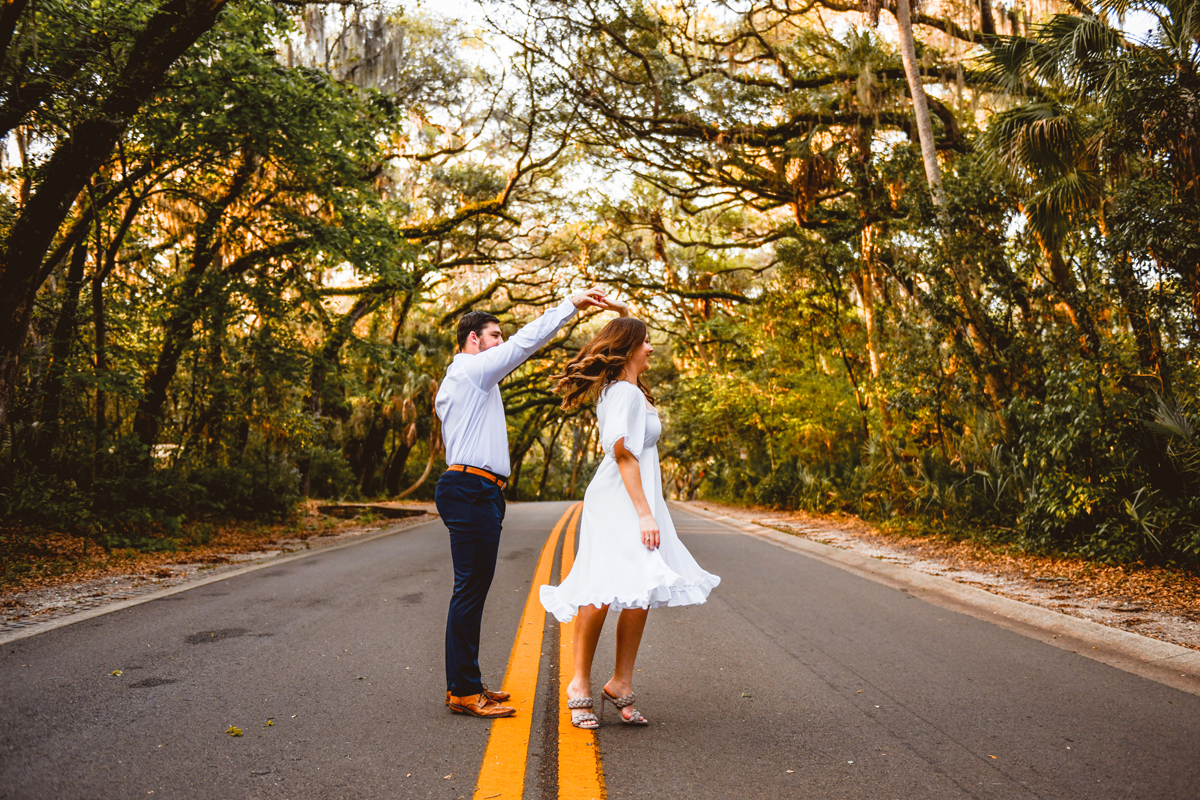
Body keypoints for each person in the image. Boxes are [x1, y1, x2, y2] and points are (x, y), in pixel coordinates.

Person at [436, 287, 623, 718]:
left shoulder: (468, 381)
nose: (501, 342)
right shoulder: (470, 371)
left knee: (472, 590)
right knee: (468, 590)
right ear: (473, 340)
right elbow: (524, 343)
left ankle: (464, 681)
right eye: (494, 335)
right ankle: (464, 691)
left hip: (476, 490)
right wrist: (570, 306)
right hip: (470, 490)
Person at [539, 313, 719, 728]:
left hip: (638, 499)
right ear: (628, 349)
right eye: (646, 342)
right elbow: (623, 452)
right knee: (600, 589)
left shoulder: (629, 392)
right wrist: (643, 513)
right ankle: (579, 684)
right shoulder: (624, 394)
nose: (651, 348)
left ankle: (621, 682)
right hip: (620, 501)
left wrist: (649, 509)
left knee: (641, 590)